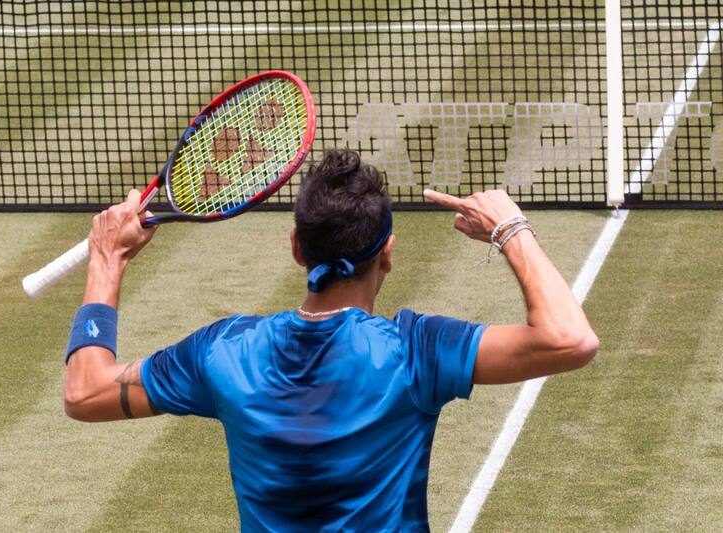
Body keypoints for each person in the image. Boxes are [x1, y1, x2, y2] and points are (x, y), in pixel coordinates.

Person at [62, 148, 598, 531]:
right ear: (388, 253)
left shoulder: (222, 352)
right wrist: (510, 229)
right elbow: (569, 338)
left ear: (297, 247)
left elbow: (86, 393)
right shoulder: (414, 353)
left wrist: (107, 260)